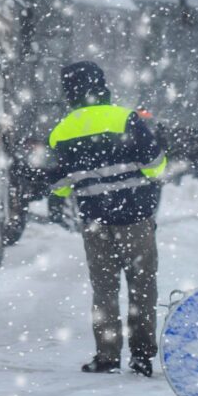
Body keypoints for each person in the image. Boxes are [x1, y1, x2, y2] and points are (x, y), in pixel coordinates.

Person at [48, 61, 166, 377]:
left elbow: (58, 186)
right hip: (135, 218)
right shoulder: (124, 118)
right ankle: (141, 356)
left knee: (104, 289)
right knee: (141, 287)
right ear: (101, 85)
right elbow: (155, 164)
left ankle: (107, 355)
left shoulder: (61, 132)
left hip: (95, 222)